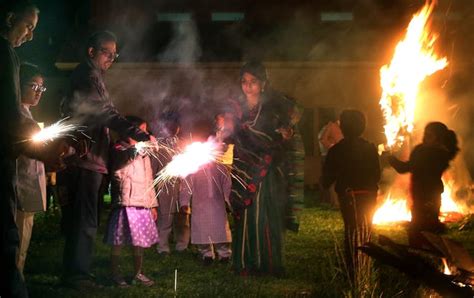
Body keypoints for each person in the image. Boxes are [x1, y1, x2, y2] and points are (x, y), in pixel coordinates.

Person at [59, 30, 154, 288]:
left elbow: (106, 112)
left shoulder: (93, 76)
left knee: (85, 218)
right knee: (85, 220)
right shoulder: (88, 76)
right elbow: (105, 113)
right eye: (106, 52)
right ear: (92, 51)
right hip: (85, 158)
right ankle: (77, 275)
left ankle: (77, 272)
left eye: (115, 55)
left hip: (90, 157)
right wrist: (138, 133)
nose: (111, 59)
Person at [0, 2, 59, 296]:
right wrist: (49, 150)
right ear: (10, 18)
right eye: (28, 27)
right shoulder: (5, 53)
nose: (31, 36)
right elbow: (11, 119)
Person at [229, 61, 297, 276]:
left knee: (268, 215)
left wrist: (285, 136)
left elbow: (280, 136)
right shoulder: (235, 108)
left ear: (263, 84)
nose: (248, 87)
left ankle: (270, 264)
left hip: (267, 170)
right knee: (246, 215)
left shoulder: (273, 110)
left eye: (253, 82)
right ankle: (247, 263)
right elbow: (230, 135)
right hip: (243, 169)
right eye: (244, 82)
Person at [320, 109, 380, 284]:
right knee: (366, 230)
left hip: (348, 197)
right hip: (368, 196)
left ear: (343, 128)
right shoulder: (370, 148)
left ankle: (353, 270)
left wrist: (323, 182)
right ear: (363, 127)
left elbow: (327, 178)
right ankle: (365, 268)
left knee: (352, 231)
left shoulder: (337, 150)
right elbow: (376, 175)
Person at [104, 116, 158, 287]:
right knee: (118, 241)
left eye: (146, 131)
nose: (145, 134)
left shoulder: (143, 155)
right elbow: (125, 159)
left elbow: (150, 180)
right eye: (142, 130)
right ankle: (115, 273)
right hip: (125, 204)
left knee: (139, 242)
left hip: (142, 204)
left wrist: (152, 204)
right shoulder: (119, 148)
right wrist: (141, 146)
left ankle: (137, 273)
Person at [388, 122, 459, 247]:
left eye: (429, 135)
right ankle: (431, 252)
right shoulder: (443, 153)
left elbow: (406, 168)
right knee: (429, 227)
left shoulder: (427, 153)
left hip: (423, 196)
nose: (425, 137)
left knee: (418, 229)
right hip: (432, 195)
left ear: (438, 138)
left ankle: (420, 254)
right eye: (425, 134)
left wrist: (391, 159)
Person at [179, 120, 232, 265]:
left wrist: (228, 200)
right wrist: (184, 202)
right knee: (201, 229)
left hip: (217, 203)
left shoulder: (219, 166)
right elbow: (186, 185)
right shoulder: (193, 164)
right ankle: (206, 254)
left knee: (220, 227)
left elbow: (227, 183)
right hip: (200, 203)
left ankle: (224, 254)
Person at [15, 63, 48, 278]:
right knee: (17, 242)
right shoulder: (16, 115)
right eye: (33, 86)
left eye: (41, 88)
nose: (38, 92)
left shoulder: (27, 114)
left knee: (23, 240)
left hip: (26, 190)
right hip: (18, 190)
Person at [155, 112, 191, 255]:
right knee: (165, 216)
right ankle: (162, 246)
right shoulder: (158, 144)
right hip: (165, 185)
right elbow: (154, 166)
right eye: (169, 124)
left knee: (183, 216)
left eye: (176, 124)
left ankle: (182, 245)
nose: (173, 127)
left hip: (182, 185)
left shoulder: (183, 144)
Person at [318, 114, 343, 206]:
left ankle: (337, 201)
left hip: (339, 156)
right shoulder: (331, 126)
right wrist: (331, 147)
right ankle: (334, 202)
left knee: (338, 179)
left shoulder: (342, 129)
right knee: (331, 179)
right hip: (329, 156)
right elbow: (322, 139)